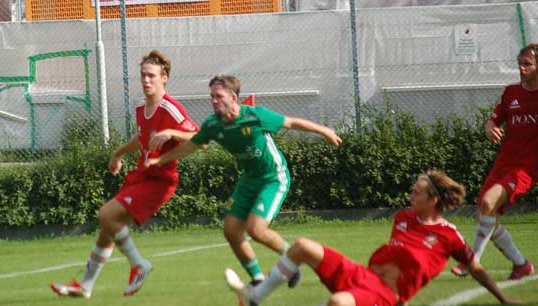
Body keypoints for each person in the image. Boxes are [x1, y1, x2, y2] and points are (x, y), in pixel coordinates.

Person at [146, 75, 342, 288]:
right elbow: (191, 145)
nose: (213, 101)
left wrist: (325, 131)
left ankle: (293, 259)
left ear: (233, 97)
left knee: (256, 230)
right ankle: (257, 278)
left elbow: (291, 122)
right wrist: (160, 160)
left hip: (273, 178)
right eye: (212, 96)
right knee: (231, 230)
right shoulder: (213, 125)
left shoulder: (255, 116)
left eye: (219, 96)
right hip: (248, 180)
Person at [225, 171, 518, 306]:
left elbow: (475, 267)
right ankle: (254, 298)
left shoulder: (449, 236)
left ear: (433, 200)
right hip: (362, 277)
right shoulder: (403, 218)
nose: (410, 195)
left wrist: (503, 299)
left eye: (416, 192)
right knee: (302, 246)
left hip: (384, 296)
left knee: (339, 302)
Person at [50, 49, 198, 298]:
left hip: (160, 181)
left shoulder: (170, 108)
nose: (146, 80)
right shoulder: (141, 106)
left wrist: (172, 133)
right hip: (142, 176)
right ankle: (85, 286)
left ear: (164, 78)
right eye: (143, 75)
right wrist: (117, 153)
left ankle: (139, 265)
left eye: (151, 75)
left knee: (105, 215)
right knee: (107, 229)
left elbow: (198, 138)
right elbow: (141, 138)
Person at [452, 43, 538, 280]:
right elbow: (493, 121)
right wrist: (490, 128)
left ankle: (471, 262)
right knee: (485, 214)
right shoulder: (511, 93)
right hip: (503, 164)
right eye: (520, 64)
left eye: (527, 64)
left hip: (527, 168)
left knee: (489, 203)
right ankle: (521, 265)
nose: (522, 68)